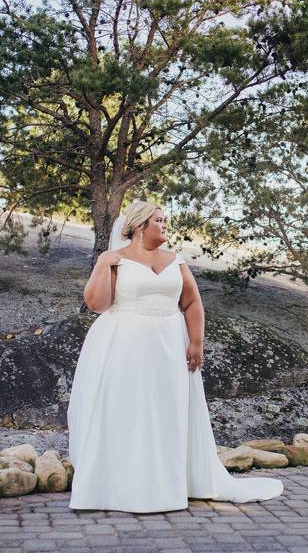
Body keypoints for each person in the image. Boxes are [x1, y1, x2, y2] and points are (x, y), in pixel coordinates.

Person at [66, 200, 284, 512]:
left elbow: (193, 302)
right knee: (129, 411)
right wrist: (102, 263)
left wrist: (196, 342)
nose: (165, 225)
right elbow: (97, 304)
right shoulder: (117, 260)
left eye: (165, 220)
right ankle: (121, 484)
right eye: (159, 220)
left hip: (169, 346)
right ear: (141, 227)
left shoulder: (174, 260)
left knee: (168, 412)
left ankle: (168, 484)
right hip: (125, 345)